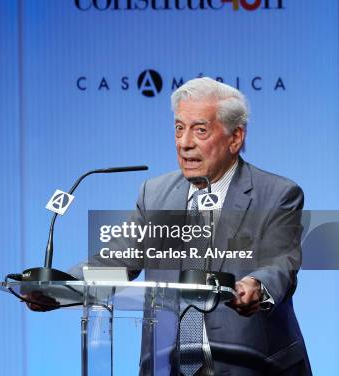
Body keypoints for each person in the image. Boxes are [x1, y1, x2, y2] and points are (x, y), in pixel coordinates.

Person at [30, 77, 311, 375]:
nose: (184, 142)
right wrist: (60, 287)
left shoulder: (277, 194)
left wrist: (255, 286)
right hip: (168, 366)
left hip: (252, 367)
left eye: (200, 130)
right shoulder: (155, 194)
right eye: (179, 128)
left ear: (235, 137)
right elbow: (118, 263)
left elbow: (280, 262)